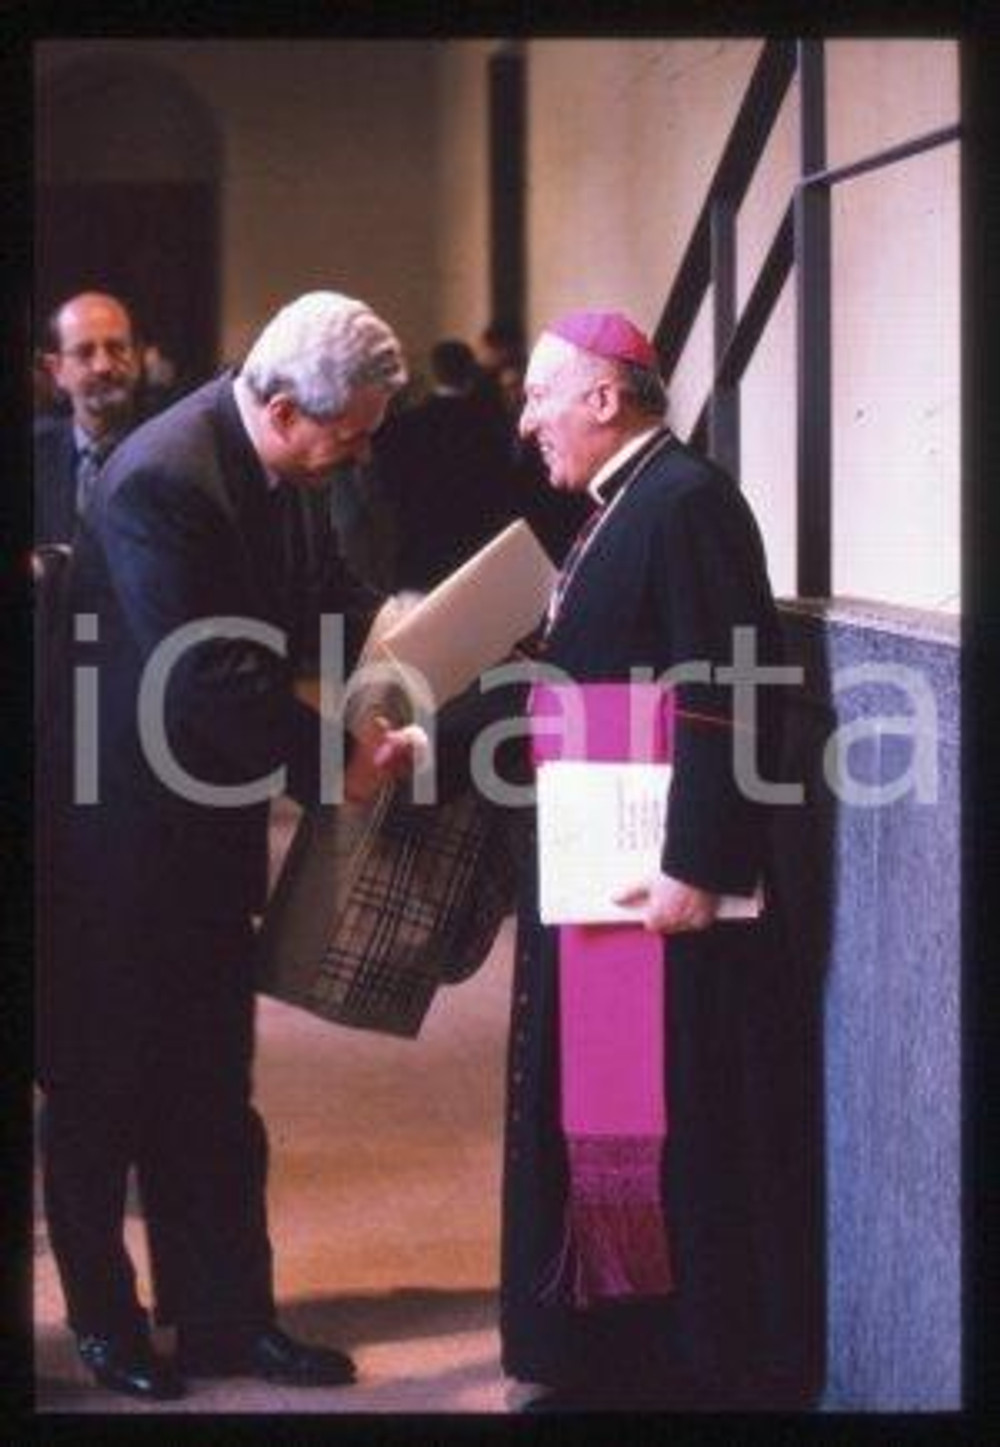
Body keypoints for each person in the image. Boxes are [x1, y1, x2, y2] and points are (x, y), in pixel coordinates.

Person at [377, 310, 821, 1411]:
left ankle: (673, 1362)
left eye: (539, 397)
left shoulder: (686, 504)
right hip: (596, 866)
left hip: (652, 878)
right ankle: (609, 1352)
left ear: (602, 399)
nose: (524, 421)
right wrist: (446, 717)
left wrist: (697, 864)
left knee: (674, 1121)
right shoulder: (622, 505)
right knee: (606, 1113)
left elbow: (726, 695)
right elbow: (574, 683)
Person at [38, 290, 410, 1401]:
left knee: (210, 1090)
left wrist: (420, 639)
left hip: (198, 830)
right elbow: (202, 673)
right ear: (288, 407)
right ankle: (105, 1324)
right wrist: (329, 759)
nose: (361, 453)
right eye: (352, 434)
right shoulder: (164, 476)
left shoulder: (277, 463)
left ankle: (226, 1322)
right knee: (102, 1091)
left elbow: (324, 603)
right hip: (112, 841)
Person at [373, 338, 521, 591]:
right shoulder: (491, 424)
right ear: (469, 371)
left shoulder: (406, 425)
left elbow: (388, 488)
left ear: (435, 371)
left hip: (420, 549)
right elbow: (504, 487)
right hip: (476, 550)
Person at [34, 292, 144, 546]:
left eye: (116, 349)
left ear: (136, 359)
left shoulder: (171, 453)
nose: (102, 366)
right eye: (85, 352)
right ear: (56, 370)